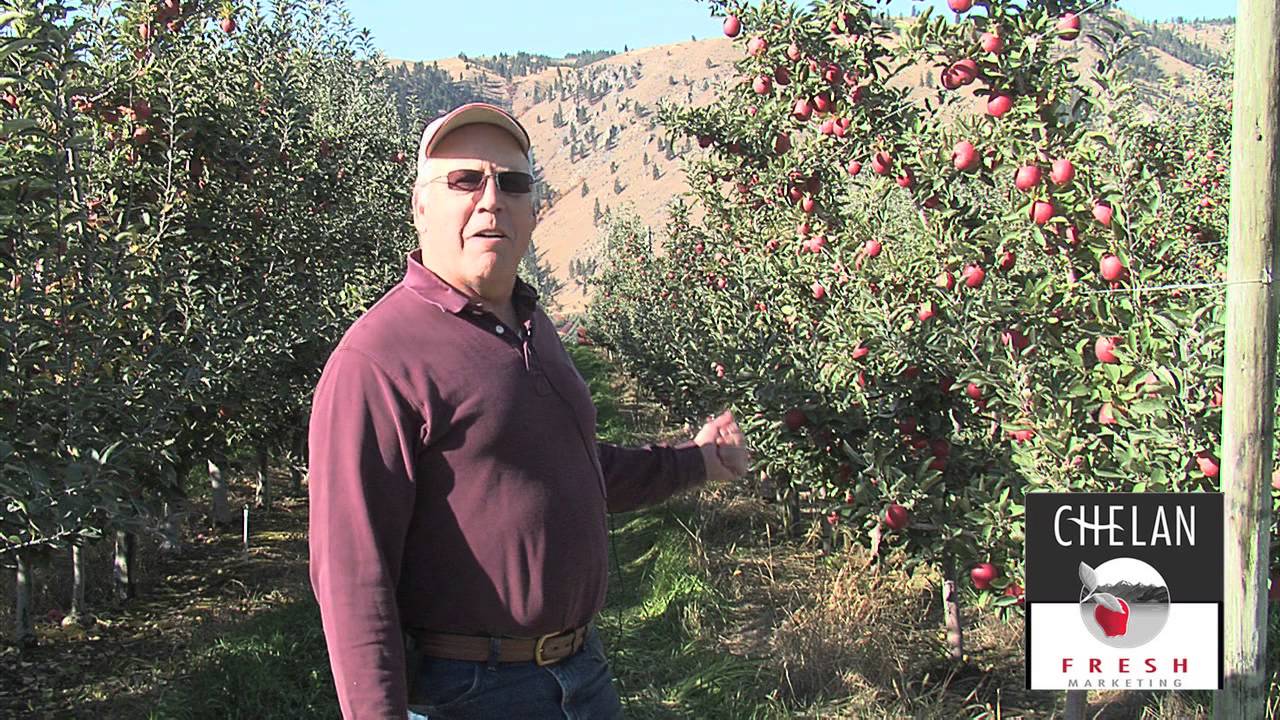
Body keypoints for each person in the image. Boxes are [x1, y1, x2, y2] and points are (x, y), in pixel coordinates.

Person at [307, 102, 751, 720]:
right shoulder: (379, 358)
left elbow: (571, 468)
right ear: (420, 207)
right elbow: (354, 573)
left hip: (581, 674)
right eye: (465, 180)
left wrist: (696, 462)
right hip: (470, 692)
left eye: (512, 183)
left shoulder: (529, 325)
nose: (491, 199)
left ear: (534, 212)